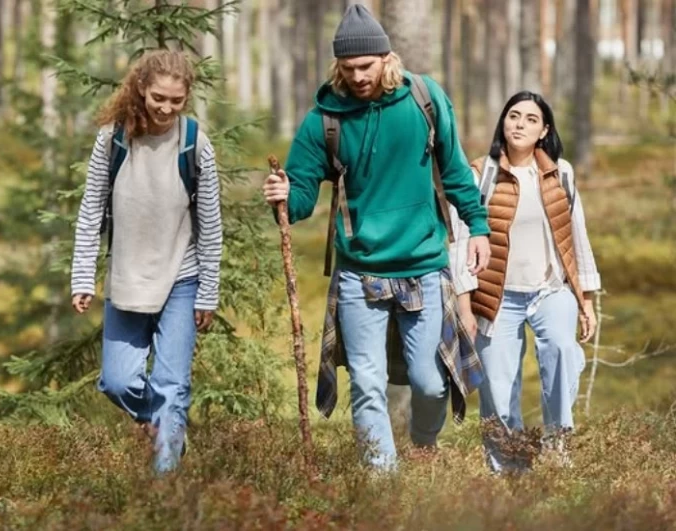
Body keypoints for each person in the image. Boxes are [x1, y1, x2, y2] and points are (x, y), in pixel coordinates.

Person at [262, 4, 490, 471]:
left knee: (430, 382)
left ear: (387, 58)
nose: (358, 76)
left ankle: (423, 447)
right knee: (367, 384)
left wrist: (478, 227)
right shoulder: (325, 119)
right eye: (348, 68)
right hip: (359, 272)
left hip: (423, 266)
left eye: (366, 65)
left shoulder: (425, 99)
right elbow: (301, 196)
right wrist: (284, 195)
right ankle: (383, 483)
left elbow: (454, 171)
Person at [70, 49, 222, 474]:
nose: (166, 108)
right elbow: (91, 211)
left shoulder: (195, 143)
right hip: (128, 278)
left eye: (176, 100)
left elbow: (210, 224)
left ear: (187, 97)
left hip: (182, 279)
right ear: (141, 89)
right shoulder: (113, 139)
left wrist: (207, 292)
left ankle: (165, 484)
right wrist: (82, 276)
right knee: (117, 382)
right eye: (158, 98)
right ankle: (165, 422)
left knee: (172, 385)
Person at [449, 91, 601, 473]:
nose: (520, 124)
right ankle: (509, 471)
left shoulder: (560, 173)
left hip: (551, 290)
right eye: (513, 116)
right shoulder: (478, 175)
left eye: (531, 119)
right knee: (498, 389)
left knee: (563, 353)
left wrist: (585, 299)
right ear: (503, 122)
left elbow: (576, 235)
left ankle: (557, 448)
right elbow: (459, 243)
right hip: (496, 297)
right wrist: (464, 307)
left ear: (544, 130)